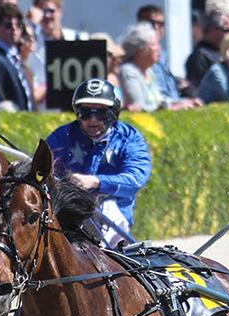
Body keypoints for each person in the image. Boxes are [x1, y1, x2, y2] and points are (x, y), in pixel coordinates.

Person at [45, 79, 153, 248]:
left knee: (108, 206)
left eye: (101, 113)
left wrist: (96, 182)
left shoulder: (130, 139)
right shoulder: (62, 136)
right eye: (85, 112)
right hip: (65, 212)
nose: (93, 120)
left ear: (114, 113)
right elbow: (42, 170)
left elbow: (135, 179)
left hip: (112, 216)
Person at [0, 4, 32, 111]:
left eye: (19, 25)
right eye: (8, 25)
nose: (14, 29)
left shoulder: (16, 56)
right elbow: (0, 93)